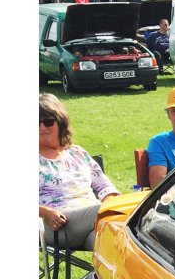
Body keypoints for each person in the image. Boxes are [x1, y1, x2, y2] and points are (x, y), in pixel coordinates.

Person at [39, 92, 119, 249]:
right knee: (112, 210)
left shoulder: (77, 153)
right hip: (54, 224)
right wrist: (44, 212)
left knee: (111, 246)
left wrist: (111, 199)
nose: (41, 127)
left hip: (90, 222)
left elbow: (104, 186)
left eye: (48, 122)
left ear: (60, 122)